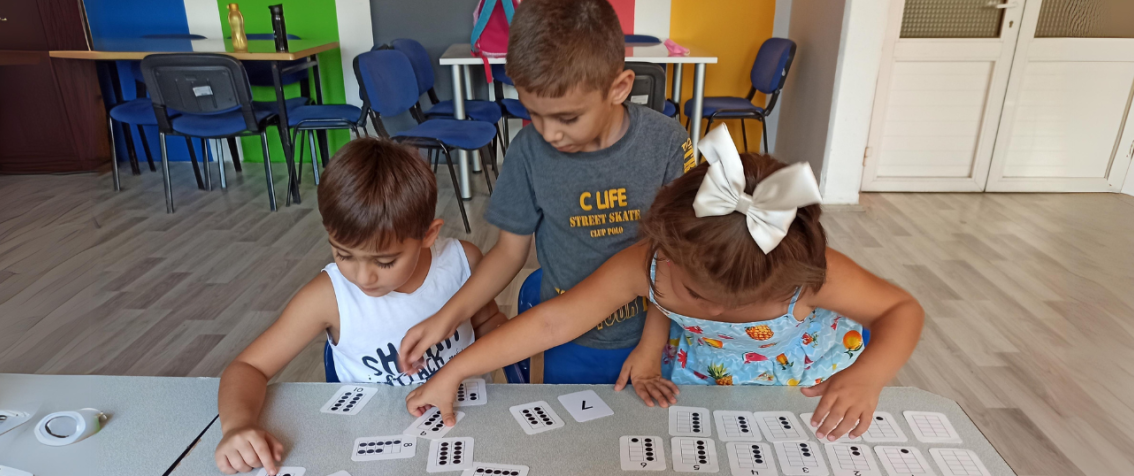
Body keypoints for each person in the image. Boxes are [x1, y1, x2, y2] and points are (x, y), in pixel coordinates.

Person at [405, 125, 925, 442]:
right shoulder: (650, 263)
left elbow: (901, 309)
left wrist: (870, 376)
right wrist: (456, 370)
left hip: (813, 388)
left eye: (700, 297)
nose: (671, 283)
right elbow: (553, 320)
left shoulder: (805, 273)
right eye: (674, 270)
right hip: (705, 380)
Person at [398, 0, 695, 384]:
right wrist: (446, 318)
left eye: (568, 118)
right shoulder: (528, 150)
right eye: (533, 113)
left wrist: (652, 347)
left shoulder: (668, 142)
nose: (550, 133)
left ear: (619, 88)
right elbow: (508, 253)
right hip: (566, 338)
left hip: (656, 341)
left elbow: (675, 258)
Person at [212, 138, 505, 475]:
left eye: (385, 261)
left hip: (469, 426)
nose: (363, 277)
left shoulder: (463, 262)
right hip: (369, 446)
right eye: (343, 254)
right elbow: (248, 366)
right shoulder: (326, 298)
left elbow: (490, 323)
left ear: (428, 234)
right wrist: (237, 426)